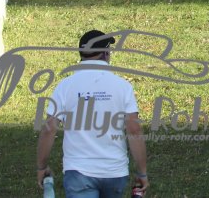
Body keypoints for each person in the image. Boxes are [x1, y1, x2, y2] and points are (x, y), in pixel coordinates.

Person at [37, 30, 149, 198]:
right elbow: (134, 130)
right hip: (114, 171)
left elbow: (49, 129)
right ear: (105, 53)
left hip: (78, 172)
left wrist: (41, 167)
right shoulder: (122, 86)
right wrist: (142, 173)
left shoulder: (65, 86)